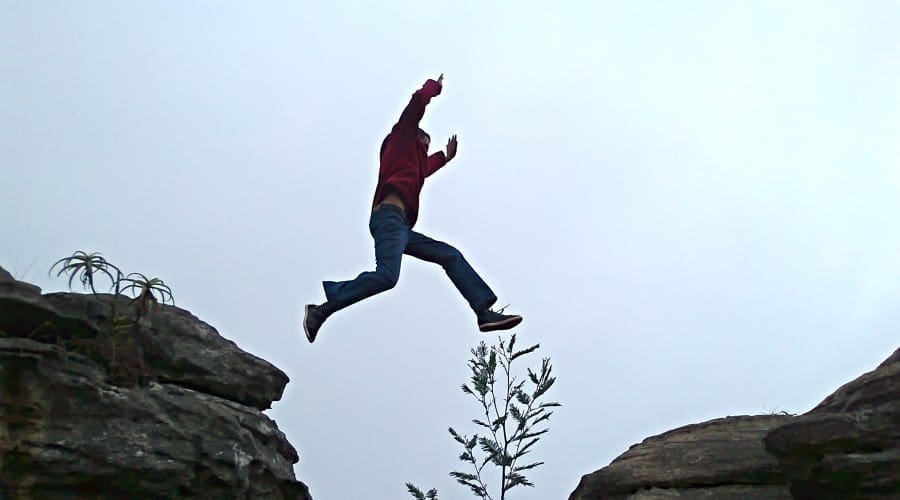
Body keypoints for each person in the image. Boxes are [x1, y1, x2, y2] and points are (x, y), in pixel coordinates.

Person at [303, 74, 522, 343]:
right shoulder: (403, 137)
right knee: (387, 276)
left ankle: (483, 312)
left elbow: (423, 170)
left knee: (450, 255)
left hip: (402, 228)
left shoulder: (412, 164)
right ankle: (322, 310)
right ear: (416, 139)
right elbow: (415, 107)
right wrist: (433, 89)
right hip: (388, 219)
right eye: (425, 145)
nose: (425, 151)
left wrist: (444, 156)